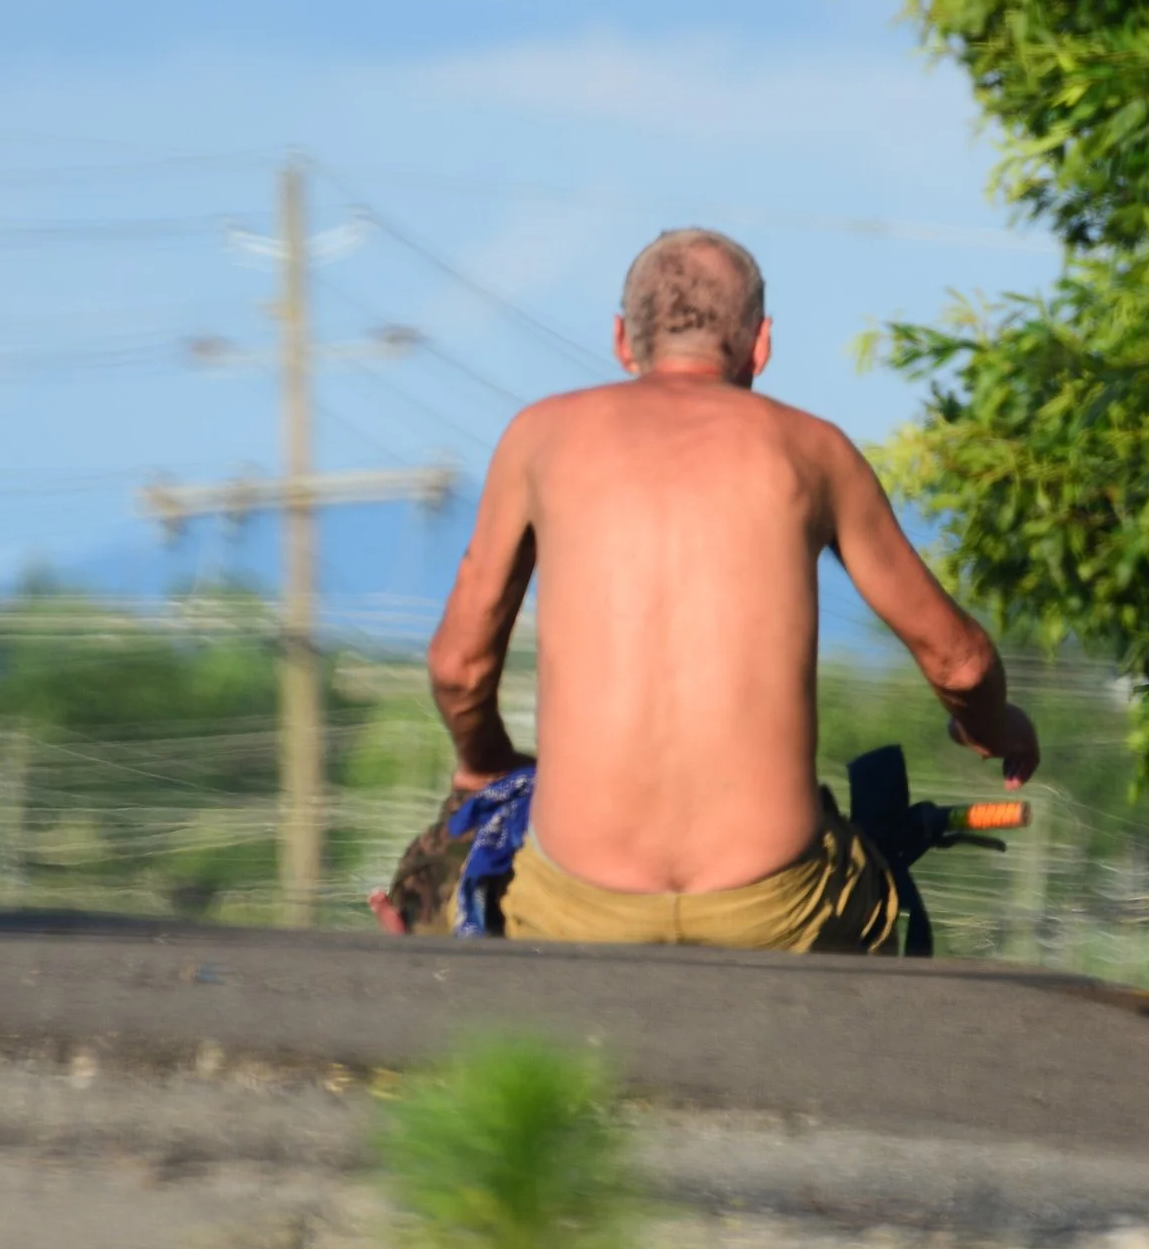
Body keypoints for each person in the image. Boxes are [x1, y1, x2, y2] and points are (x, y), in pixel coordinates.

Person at [387, 228, 1037, 952]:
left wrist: (482, 764)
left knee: (432, 887)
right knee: (879, 885)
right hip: (777, 906)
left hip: (573, 904)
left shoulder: (539, 438)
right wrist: (991, 726)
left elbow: (459, 668)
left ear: (621, 341)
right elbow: (963, 665)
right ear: (761, 345)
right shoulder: (814, 450)